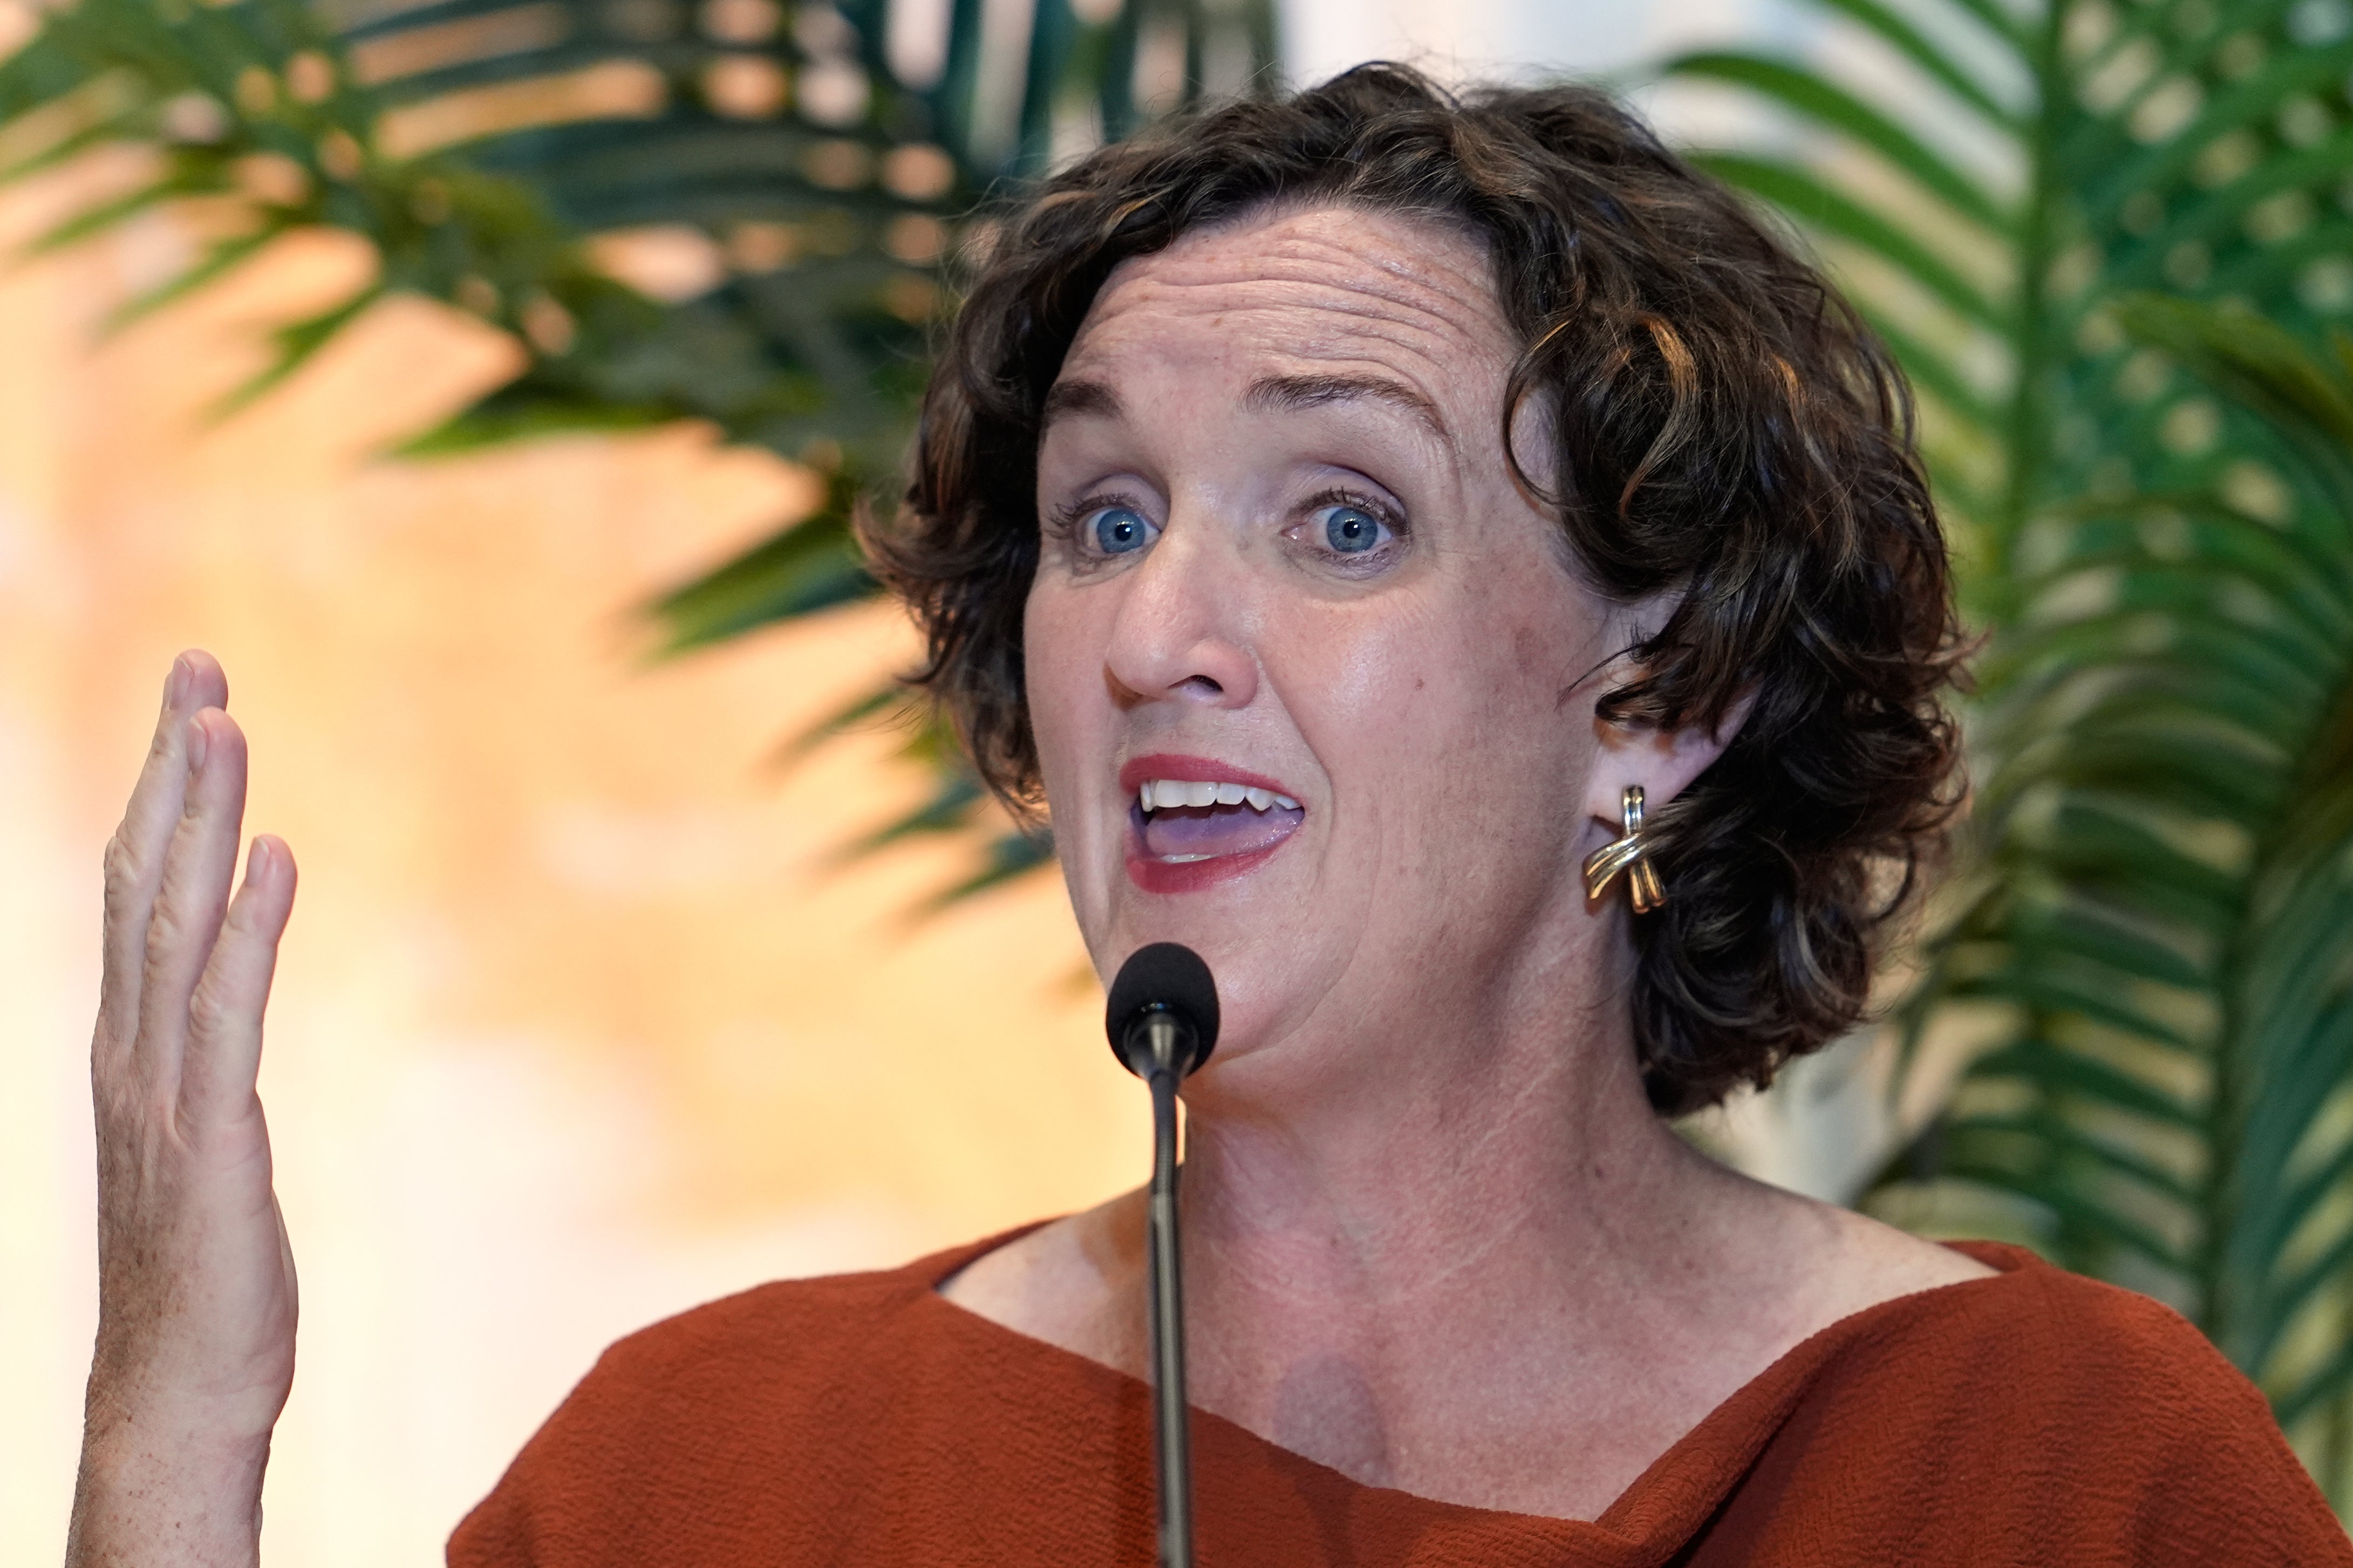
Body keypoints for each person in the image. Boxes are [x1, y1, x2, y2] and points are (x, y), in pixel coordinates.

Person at [67, 65, 2350, 1566]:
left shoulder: (2046, 1475)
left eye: (1338, 519)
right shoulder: (725, 1474)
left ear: (1661, 698)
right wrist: (177, 1436)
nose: (1157, 625)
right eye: (1098, 514)